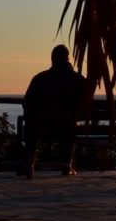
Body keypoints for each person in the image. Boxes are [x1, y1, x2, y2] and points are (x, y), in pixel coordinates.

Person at [23, 45, 86, 178]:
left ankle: (30, 163)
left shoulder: (39, 79)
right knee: (71, 126)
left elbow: (27, 103)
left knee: (29, 126)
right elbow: (86, 99)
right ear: (67, 59)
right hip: (66, 128)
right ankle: (66, 165)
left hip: (39, 128)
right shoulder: (77, 79)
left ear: (52, 60)